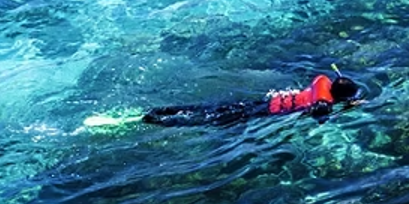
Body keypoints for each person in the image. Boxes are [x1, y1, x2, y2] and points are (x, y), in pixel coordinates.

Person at [139, 72, 363, 128]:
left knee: (207, 109)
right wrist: (348, 109)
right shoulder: (324, 104)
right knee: (208, 120)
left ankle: (163, 110)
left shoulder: (322, 81)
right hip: (261, 114)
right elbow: (321, 117)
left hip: (260, 103)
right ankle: (157, 120)